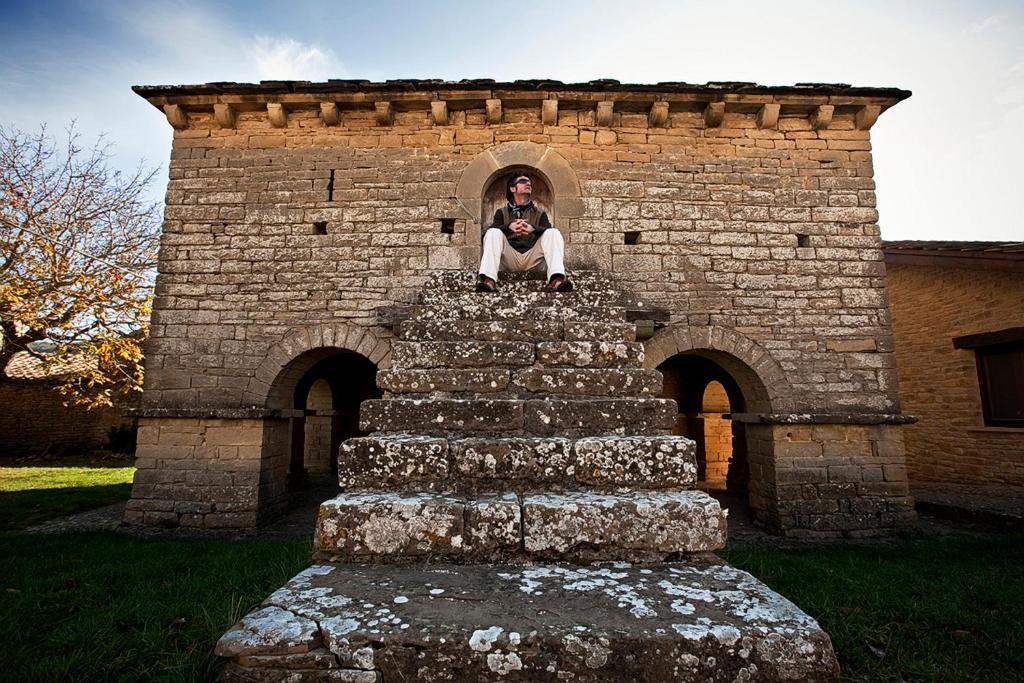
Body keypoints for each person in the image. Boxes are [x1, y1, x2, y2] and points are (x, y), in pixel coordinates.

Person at [476, 172, 573, 293]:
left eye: (529, 183)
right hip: (509, 259)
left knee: (553, 233)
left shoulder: (540, 213)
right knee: (493, 232)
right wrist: (508, 227)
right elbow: (486, 236)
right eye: (523, 181)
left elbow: (549, 233)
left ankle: (556, 280)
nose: (528, 184)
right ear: (512, 188)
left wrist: (534, 229)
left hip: (533, 259)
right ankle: (489, 280)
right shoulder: (501, 212)